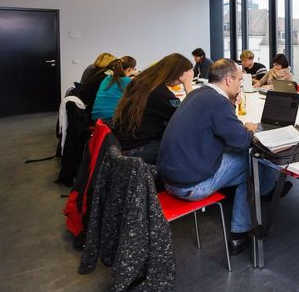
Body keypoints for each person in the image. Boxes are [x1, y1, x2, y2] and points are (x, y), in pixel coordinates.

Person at [158, 59, 287, 255]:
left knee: (242, 159)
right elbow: (242, 141)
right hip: (190, 185)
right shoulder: (218, 102)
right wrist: (249, 130)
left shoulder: (197, 93)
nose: (240, 86)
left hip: (168, 179)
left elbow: (219, 131)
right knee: (252, 161)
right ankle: (244, 226)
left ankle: (254, 209)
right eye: (240, 81)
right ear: (228, 80)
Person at [112, 53, 194, 164]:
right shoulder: (159, 92)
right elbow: (189, 118)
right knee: (191, 147)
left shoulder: (143, 81)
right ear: (177, 74)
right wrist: (188, 85)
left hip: (126, 143)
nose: (179, 83)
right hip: (137, 150)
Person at [91, 56, 137, 124]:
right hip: (109, 119)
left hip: (95, 117)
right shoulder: (127, 81)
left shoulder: (107, 78)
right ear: (130, 69)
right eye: (134, 69)